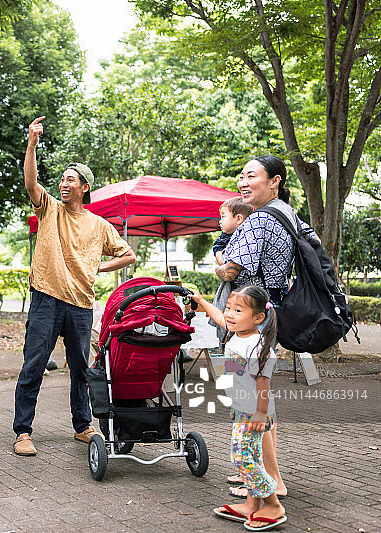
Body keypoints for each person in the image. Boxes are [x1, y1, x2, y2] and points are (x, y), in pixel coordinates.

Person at [13, 116, 136, 457]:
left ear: (84, 187)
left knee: (81, 370)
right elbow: (30, 182)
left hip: (81, 305)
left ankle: (82, 426)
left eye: (71, 180)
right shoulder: (50, 208)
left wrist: (99, 266)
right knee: (34, 365)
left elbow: (128, 255)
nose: (63, 184)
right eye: (62, 179)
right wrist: (32, 143)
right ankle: (23, 431)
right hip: (46, 299)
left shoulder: (99, 225)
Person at [217, 155, 314, 501]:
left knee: (252, 405)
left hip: (249, 318)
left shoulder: (259, 218)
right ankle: (257, 471)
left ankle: (272, 481)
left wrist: (218, 264)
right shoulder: (288, 213)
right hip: (268, 311)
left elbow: (231, 270)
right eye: (241, 176)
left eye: (251, 176)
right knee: (258, 401)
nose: (243, 182)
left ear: (275, 181)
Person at [191, 286, 287, 531]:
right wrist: (201, 301)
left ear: (258, 318)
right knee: (251, 457)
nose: (229, 314)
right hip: (242, 409)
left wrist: (261, 413)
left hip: (254, 412)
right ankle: (251, 504)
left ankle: (273, 505)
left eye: (238, 310)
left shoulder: (257, 346)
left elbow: (263, 384)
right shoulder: (238, 332)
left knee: (242, 457)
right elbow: (218, 316)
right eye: (229, 308)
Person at [209, 196, 254, 341]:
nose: (220, 221)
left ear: (239, 218)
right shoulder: (226, 237)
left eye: (223, 216)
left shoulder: (243, 238)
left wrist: (219, 266)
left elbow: (223, 264)